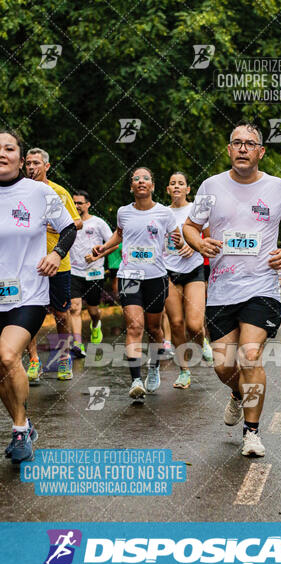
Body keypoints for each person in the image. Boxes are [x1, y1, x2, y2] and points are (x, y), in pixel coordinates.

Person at [183, 123, 281, 457]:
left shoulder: (277, 188)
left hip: (261, 288)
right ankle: (238, 394)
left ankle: (251, 433)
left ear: (260, 151)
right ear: (229, 150)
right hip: (222, 290)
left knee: (250, 356)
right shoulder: (211, 186)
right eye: (236, 142)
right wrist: (199, 242)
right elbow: (190, 226)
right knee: (224, 367)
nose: (242, 148)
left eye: (249, 143)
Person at [0, 129, 76, 463]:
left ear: (20, 158)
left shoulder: (39, 193)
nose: (2, 153)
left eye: (9, 148)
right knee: (1, 370)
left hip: (27, 295)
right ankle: (25, 424)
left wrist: (57, 254)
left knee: (6, 355)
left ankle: (18, 431)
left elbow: (69, 228)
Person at [92, 167, 183, 401]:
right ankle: (135, 380)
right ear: (131, 187)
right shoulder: (123, 212)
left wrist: (180, 242)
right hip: (129, 276)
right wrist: (103, 248)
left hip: (156, 277)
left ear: (152, 186)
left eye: (146, 179)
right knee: (134, 326)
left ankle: (153, 366)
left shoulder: (164, 214)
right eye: (136, 179)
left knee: (154, 329)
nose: (141, 181)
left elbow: (176, 239)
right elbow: (119, 234)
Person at [24, 148, 82, 382]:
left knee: (60, 312)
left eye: (36, 163)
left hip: (58, 261)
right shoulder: (21, 192)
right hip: (28, 262)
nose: (31, 167)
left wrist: (56, 226)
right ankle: (34, 360)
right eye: (28, 163)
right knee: (27, 311)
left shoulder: (58, 192)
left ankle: (64, 356)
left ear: (47, 166)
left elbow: (76, 222)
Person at [163, 171, 213, 389]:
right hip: (168, 270)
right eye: (172, 183)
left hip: (193, 269)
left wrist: (193, 247)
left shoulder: (196, 210)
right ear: (167, 189)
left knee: (194, 324)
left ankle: (203, 342)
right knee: (175, 323)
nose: (176, 186)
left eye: (180, 183)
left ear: (187, 189)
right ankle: (184, 371)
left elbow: (209, 238)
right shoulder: (161, 212)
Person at [69, 190, 116, 357]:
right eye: (74, 202)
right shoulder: (69, 222)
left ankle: (96, 324)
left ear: (87, 204)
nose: (76, 206)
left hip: (94, 272)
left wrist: (97, 255)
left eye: (79, 203)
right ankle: (77, 345)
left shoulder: (98, 223)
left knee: (93, 310)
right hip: (74, 271)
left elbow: (113, 245)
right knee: (74, 308)